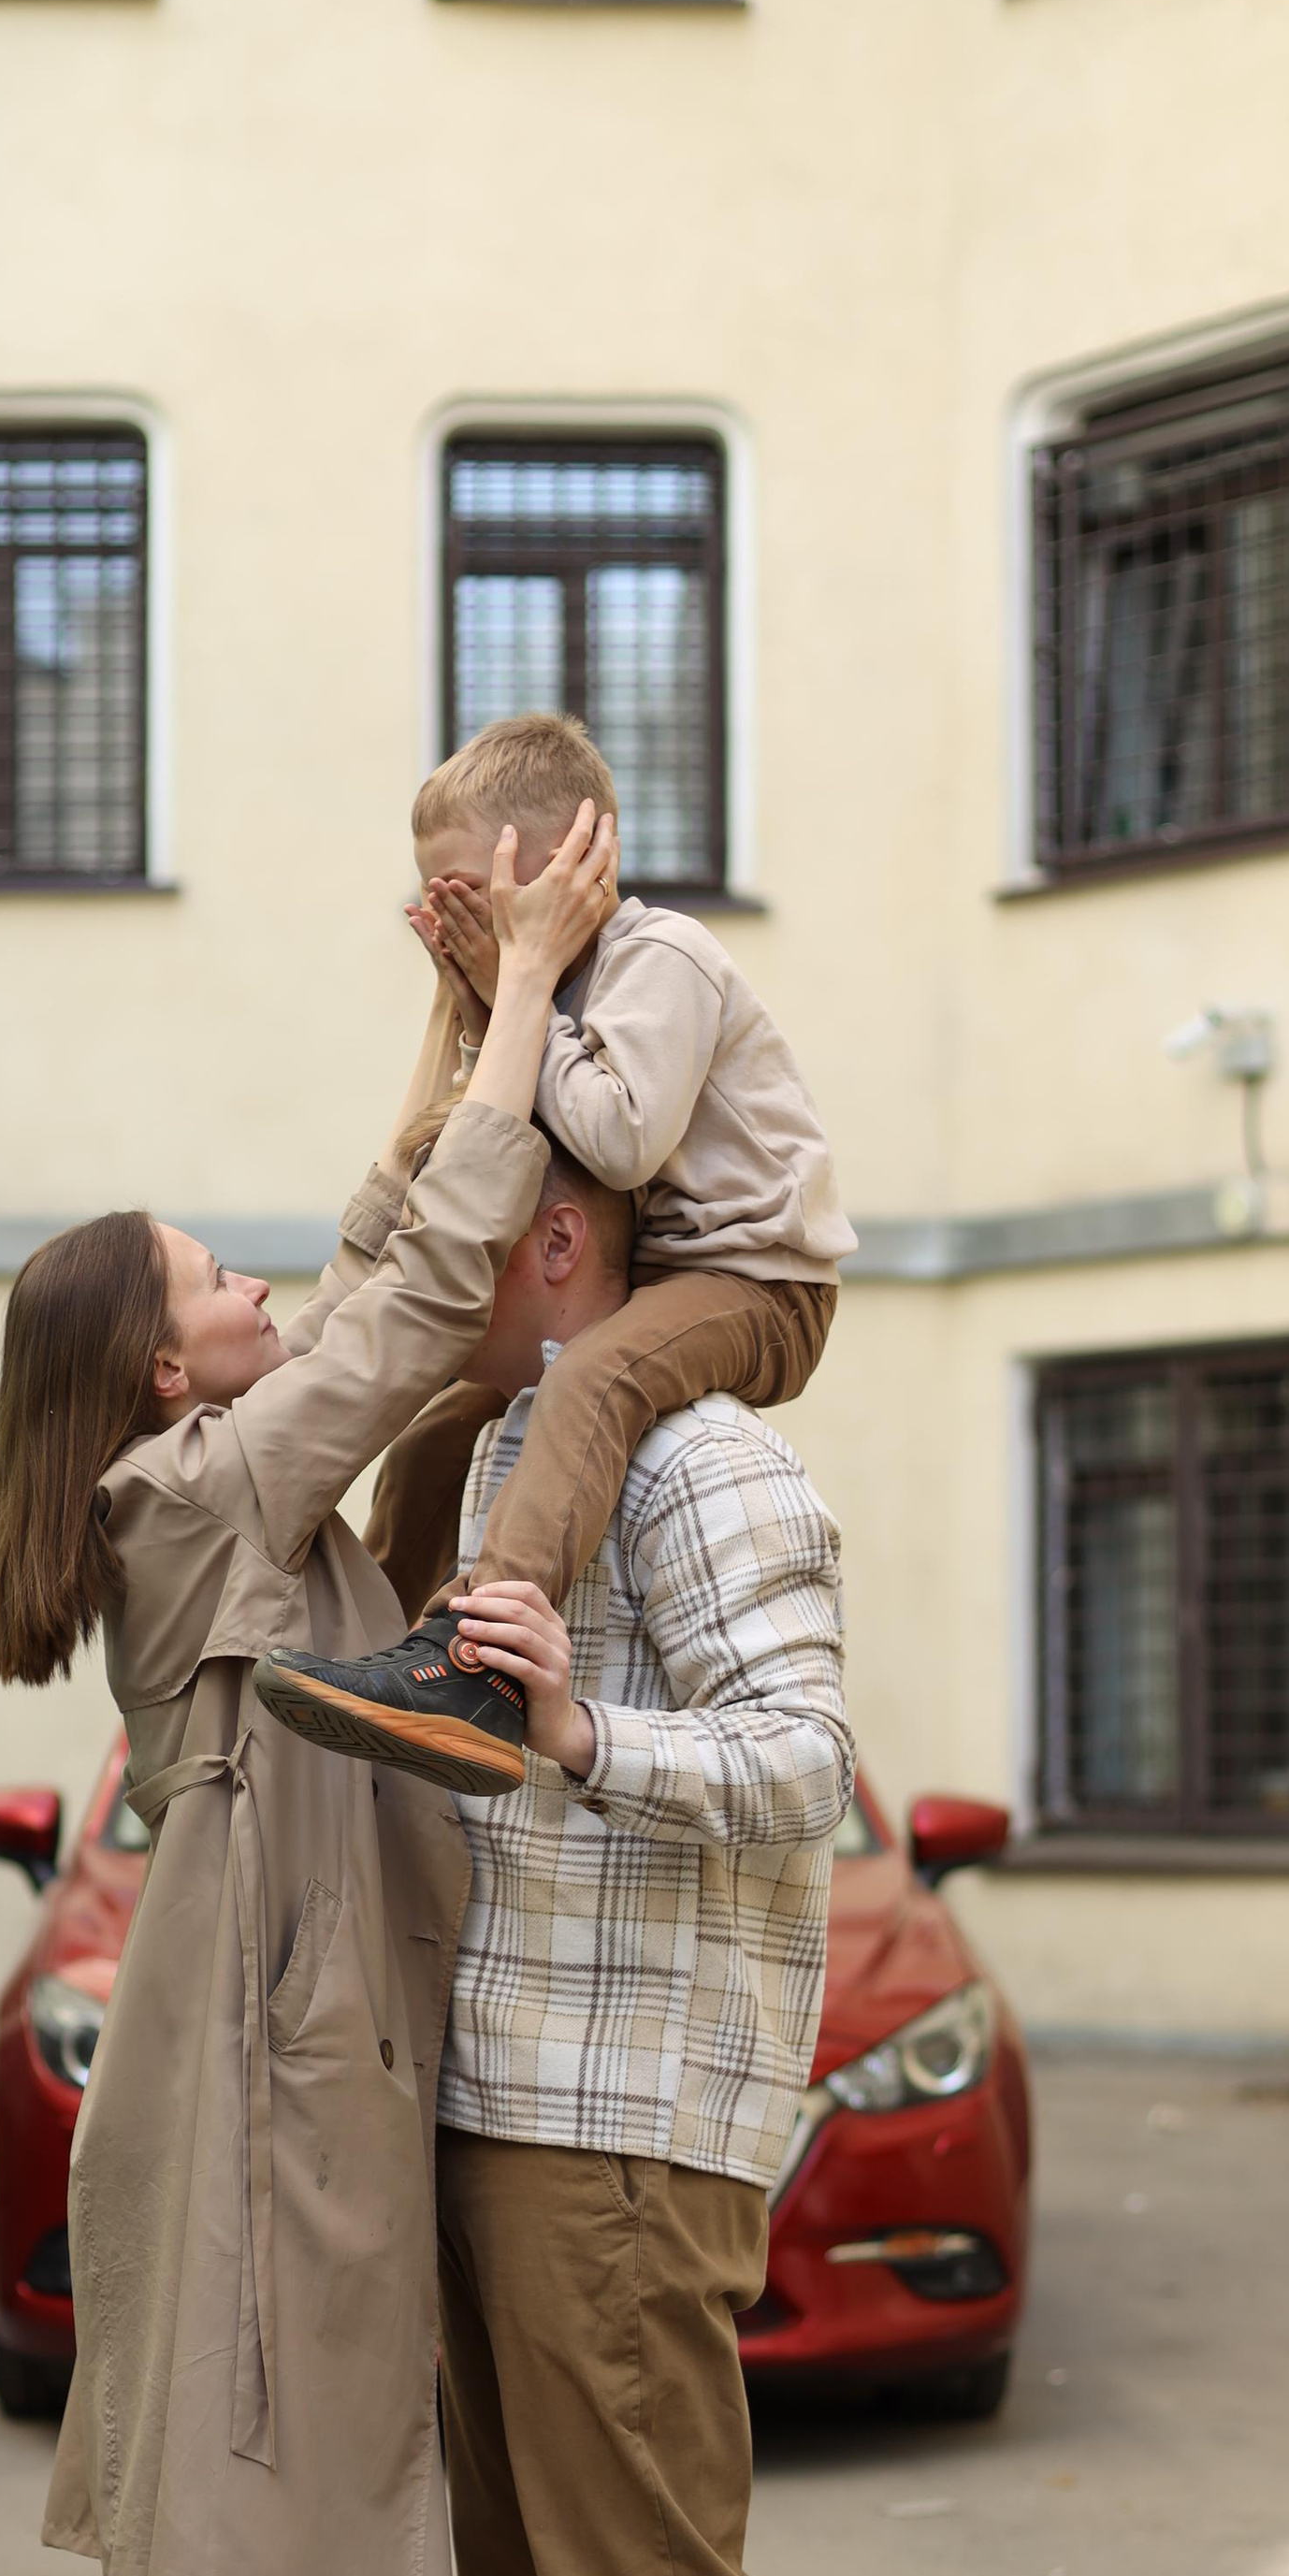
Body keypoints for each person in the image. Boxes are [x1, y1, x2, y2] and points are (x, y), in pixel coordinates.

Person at [0, 802, 619, 2576]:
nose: (260, 1278)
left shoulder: (250, 1481)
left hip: (289, 2103)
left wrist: (457, 996)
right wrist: (540, 979)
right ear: (163, 1355)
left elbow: (371, 1248)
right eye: (214, 1272)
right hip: (242, 2124)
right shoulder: (198, 1503)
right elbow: (429, 1284)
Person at [354, 1136, 853, 2576]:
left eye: (443, 1241)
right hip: (505, 2088)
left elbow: (804, 1761)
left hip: (630, 2109)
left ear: (556, 1246)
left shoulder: (701, 1457)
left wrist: (578, 1730)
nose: (398, 1279)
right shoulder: (501, 1463)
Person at [251, 712, 853, 1795]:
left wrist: (518, 979)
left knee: (590, 1379)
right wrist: (481, 993)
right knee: (437, 1435)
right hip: (668, 1278)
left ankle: (473, 1670)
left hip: (759, 1282)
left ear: (562, 868)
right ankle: (377, 1668)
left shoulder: (662, 954)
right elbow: (476, 1137)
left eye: (466, 893)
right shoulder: (554, 995)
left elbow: (619, 1136)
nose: (452, 918)